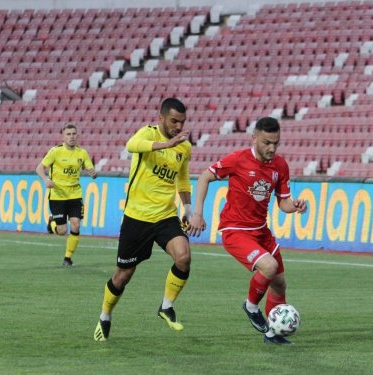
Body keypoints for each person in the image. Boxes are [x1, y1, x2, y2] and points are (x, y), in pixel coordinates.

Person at [188, 117, 308, 345]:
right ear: (254, 138)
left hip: (261, 231)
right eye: (266, 143)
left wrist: (296, 206)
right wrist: (197, 214)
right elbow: (204, 177)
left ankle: (272, 334)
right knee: (269, 267)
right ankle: (251, 306)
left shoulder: (280, 166)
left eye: (276, 143)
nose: (271, 148)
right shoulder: (238, 159)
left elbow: (283, 203)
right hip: (236, 230)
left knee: (279, 284)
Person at [94, 97, 194, 341]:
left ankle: (166, 306)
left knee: (183, 257)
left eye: (182, 122)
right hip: (137, 217)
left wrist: (188, 208)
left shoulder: (184, 147)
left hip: (165, 216)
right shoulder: (148, 133)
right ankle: (105, 316)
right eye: (174, 121)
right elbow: (131, 145)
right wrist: (166, 144)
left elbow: (182, 179)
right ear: (161, 118)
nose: (178, 126)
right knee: (123, 275)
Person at [36, 123, 97, 266]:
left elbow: (91, 169)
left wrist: (93, 173)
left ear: (77, 135)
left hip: (75, 195)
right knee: (62, 230)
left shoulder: (82, 153)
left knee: (76, 225)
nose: (71, 137)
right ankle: (52, 224)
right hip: (58, 196)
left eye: (74, 134)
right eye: (68, 134)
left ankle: (67, 258)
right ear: (63, 137)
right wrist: (46, 180)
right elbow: (39, 168)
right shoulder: (55, 151)